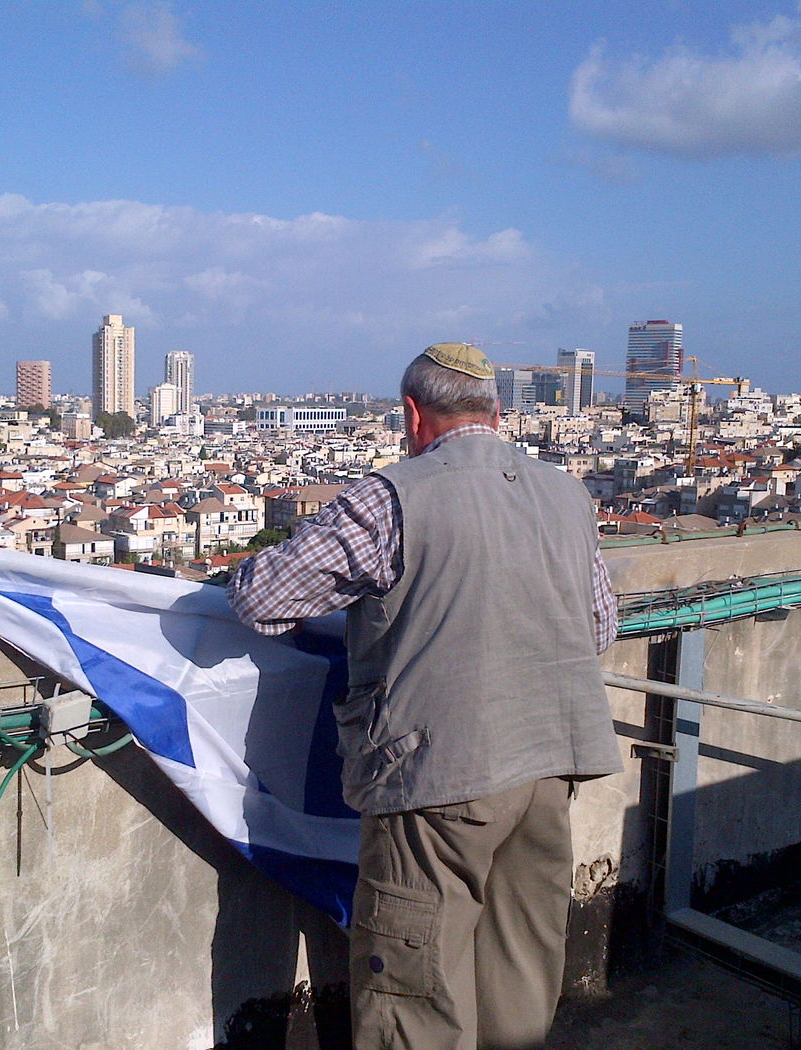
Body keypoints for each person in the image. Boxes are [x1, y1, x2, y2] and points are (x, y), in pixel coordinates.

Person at [227, 343, 622, 1050]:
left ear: (412, 414)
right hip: (549, 768)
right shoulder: (565, 493)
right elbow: (600, 627)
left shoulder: (393, 497)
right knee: (520, 981)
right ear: (497, 413)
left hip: (438, 779)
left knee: (416, 993)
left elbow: (263, 599)